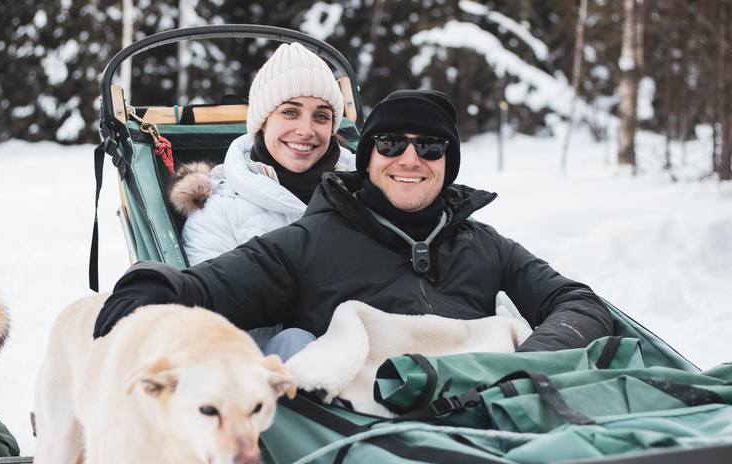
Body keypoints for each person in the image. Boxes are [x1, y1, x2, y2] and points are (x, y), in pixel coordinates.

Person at [95, 90, 613, 355]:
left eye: (430, 147)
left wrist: (524, 366)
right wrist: (152, 287)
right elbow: (218, 283)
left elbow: (579, 304)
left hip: (489, 411)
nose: (410, 159)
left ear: (448, 164)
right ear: (366, 159)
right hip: (368, 430)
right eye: (390, 144)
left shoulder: (482, 243)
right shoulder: (312, 239)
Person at [172, 42, 354, 266]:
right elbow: (213, 298)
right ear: (262, 122)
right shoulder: (218, 213)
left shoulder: (367, 191)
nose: (306, 130)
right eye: (290, 112)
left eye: (321, 116)